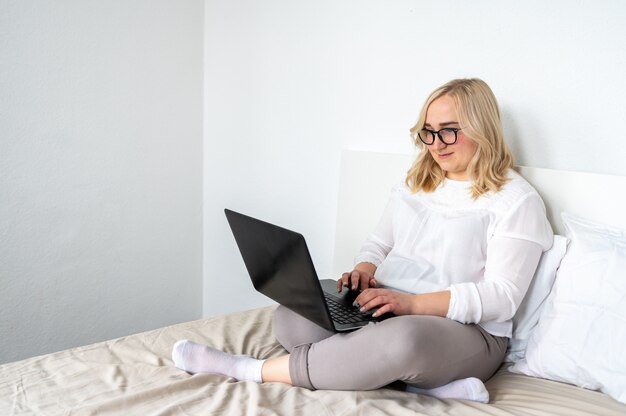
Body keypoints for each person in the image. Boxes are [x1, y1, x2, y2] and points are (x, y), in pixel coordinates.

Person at [171, 78, 553, 403]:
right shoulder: (416, 183)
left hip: (467, 331)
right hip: (388, 306)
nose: (437, 143)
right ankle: (424, 387)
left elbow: (502, 297)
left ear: (482, 128)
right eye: (429, 132)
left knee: (403, 342)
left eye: (449, 129)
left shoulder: (516, 201)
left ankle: (251, 370)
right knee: (292, 317)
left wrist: (413, 304)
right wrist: (364, 271)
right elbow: (378, 244)